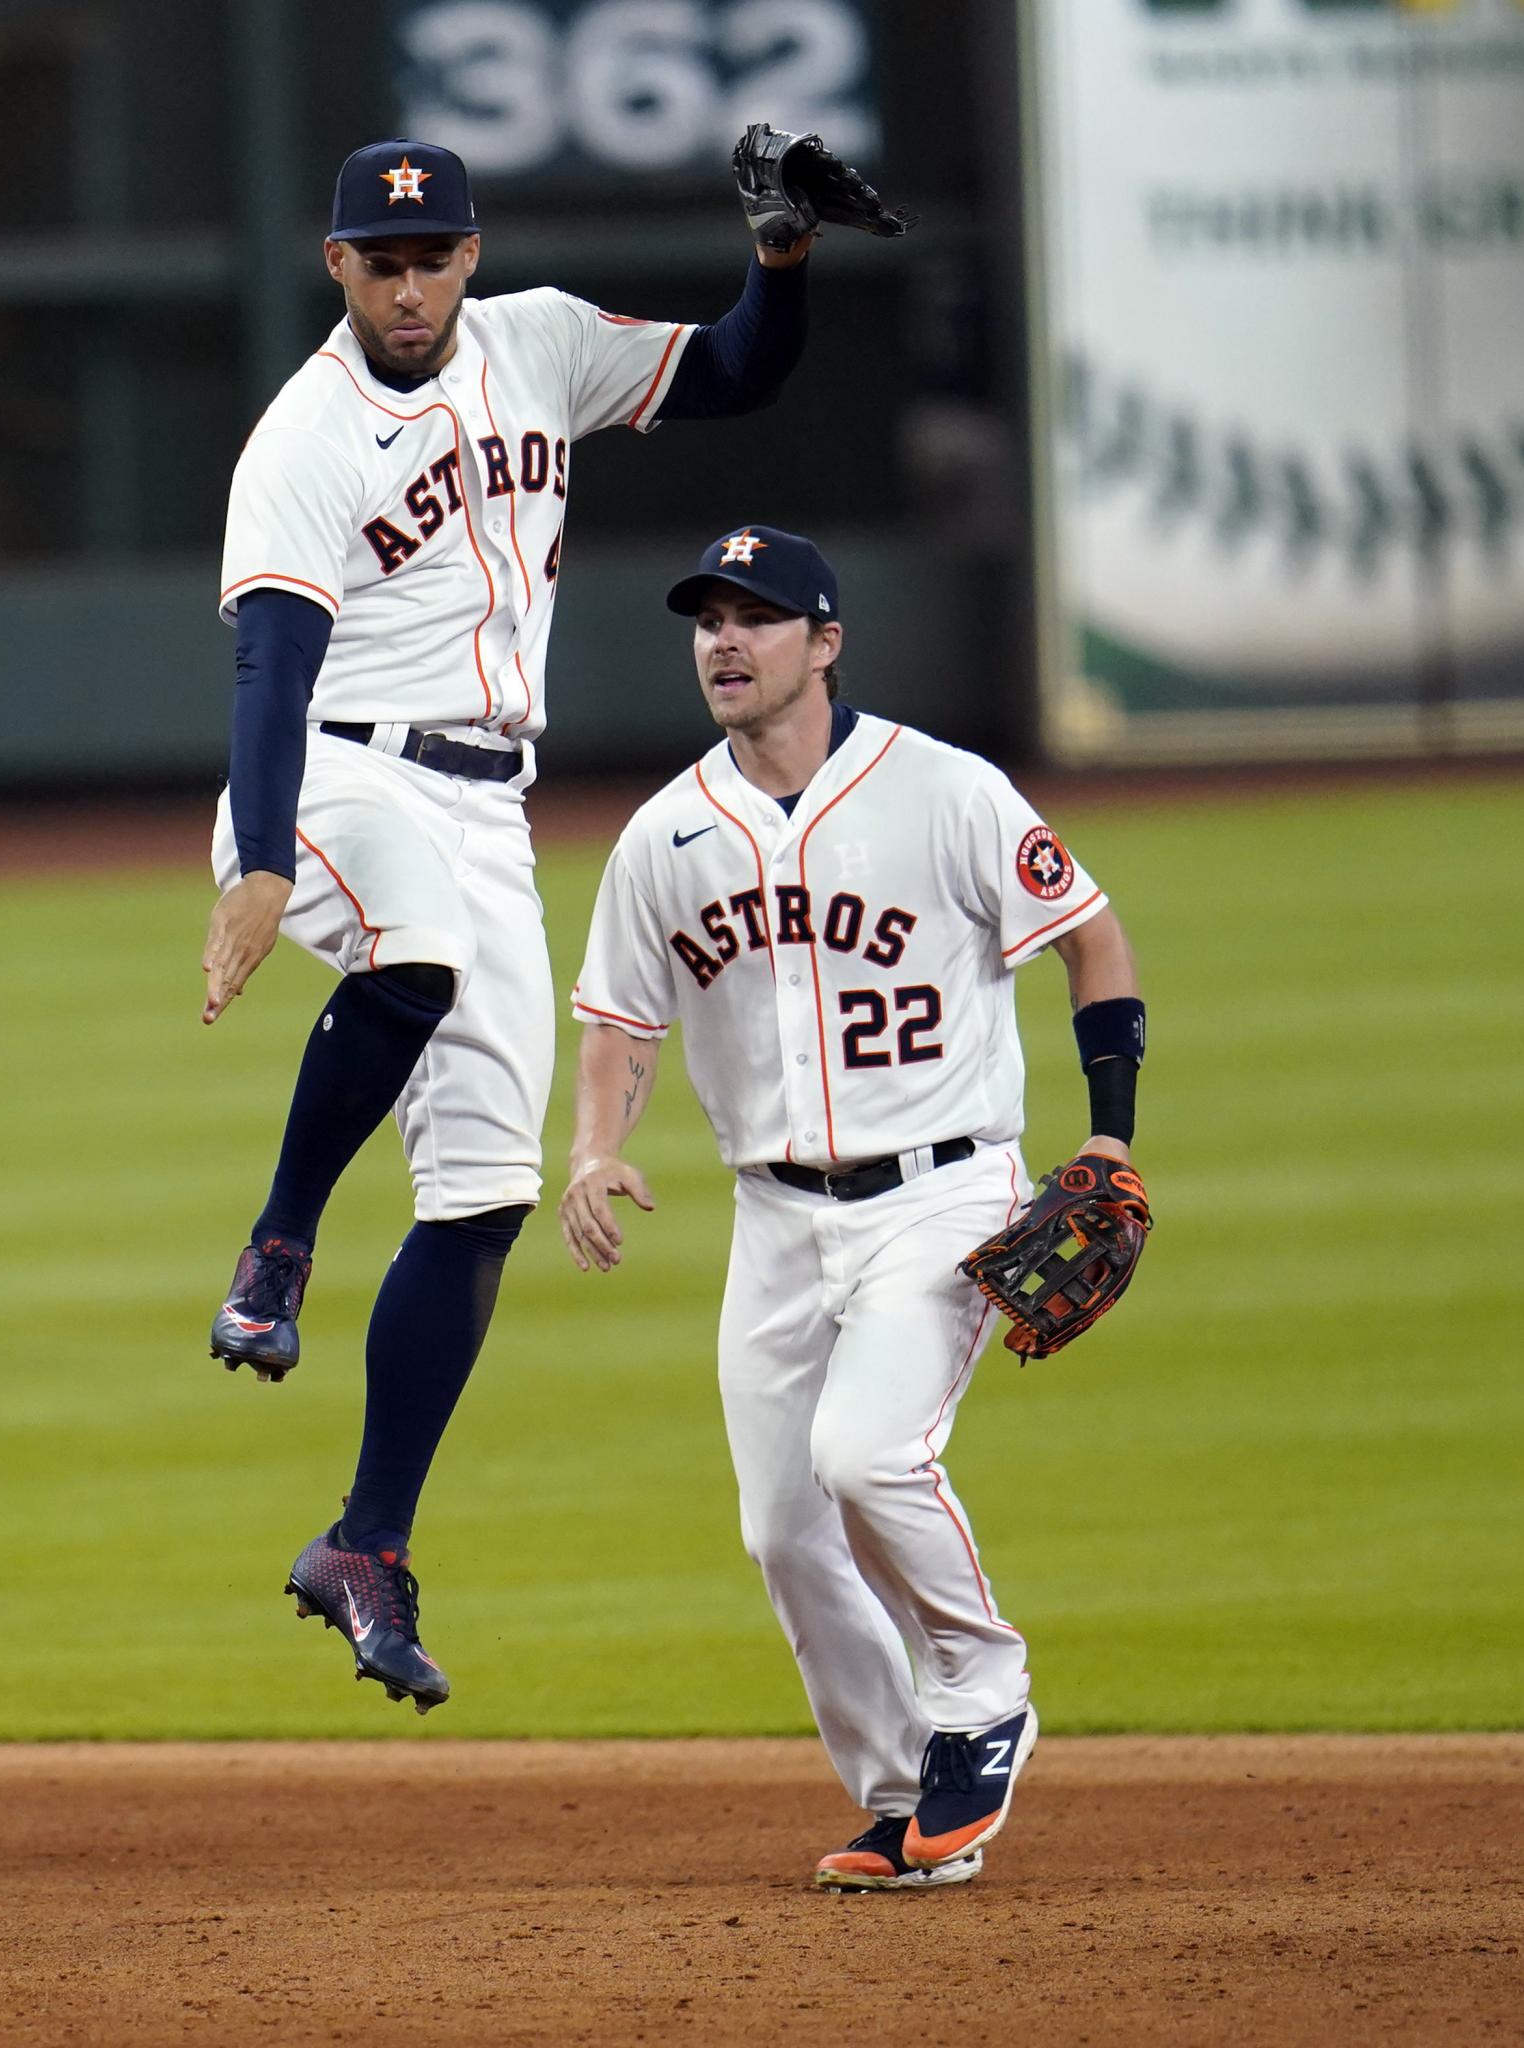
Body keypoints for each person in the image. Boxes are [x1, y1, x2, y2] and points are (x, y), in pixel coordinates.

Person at [198, 133, 861, 1713]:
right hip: (339, 774)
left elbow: (738, 376)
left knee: (484, 1198)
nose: (411, 283)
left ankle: (367, 1543)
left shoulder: (542, 343)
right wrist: (267, 856)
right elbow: (271, 666)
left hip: (486, 806)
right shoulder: (304, 436)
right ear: (338, 267)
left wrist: (778, 254)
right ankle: (280, 1246)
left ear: (471, 256)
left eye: (435, 256)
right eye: (382, 258)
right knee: (411, 954)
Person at [561, 524, 1147, 1888]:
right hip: (773, 1220)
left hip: (939, 1197)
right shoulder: (667, 834)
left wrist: (1110, 1132)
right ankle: (906, 1806)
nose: (724, 639)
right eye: (707, 615)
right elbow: (617, 1020)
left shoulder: (946, 791)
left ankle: (981, 1694)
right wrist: (594, 1150)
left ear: (824, 644)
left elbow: (1091, 940)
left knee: (869, 1454)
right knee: (782, 1530)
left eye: (756, 617)